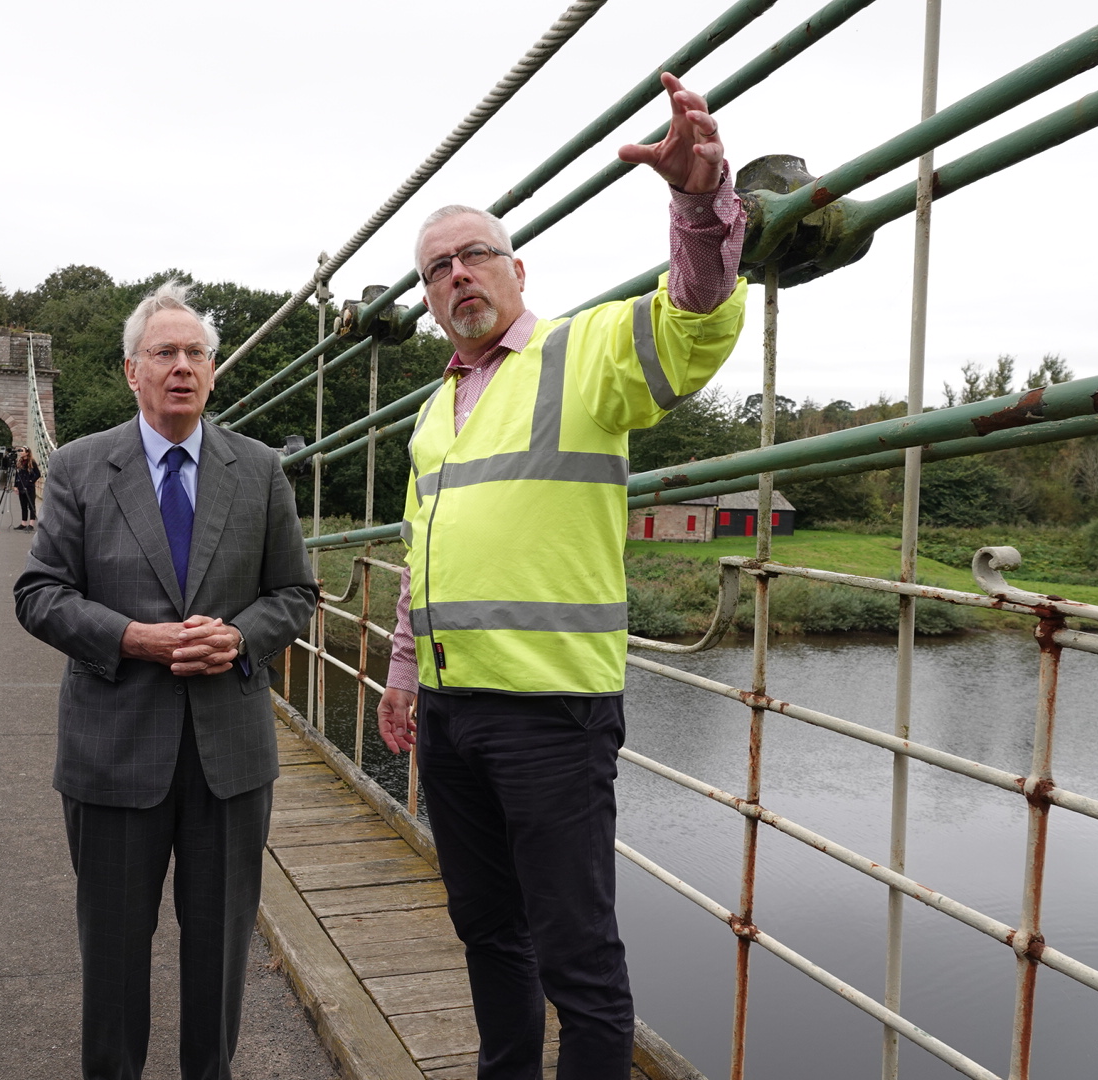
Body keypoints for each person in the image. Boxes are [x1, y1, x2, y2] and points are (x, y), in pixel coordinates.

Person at [375, 73, 747, 1080]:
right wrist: (402, 673)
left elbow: (692, 323)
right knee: (486, 931)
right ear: (424, 295)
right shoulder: (427, 414)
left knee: (577, 957)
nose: (456, 276)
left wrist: (698, 206)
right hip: (451, 714)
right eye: (435, 267)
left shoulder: (581, 355)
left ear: (516, 269)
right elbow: (422, 558)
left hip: (550, 712)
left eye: (473, 257)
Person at [14, 280, 317, 1080]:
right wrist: (131, 638)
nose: (181, 366)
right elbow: (38, 594)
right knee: (112, 958)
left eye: (196, 354)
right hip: (114, 751)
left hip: (230, 757)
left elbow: (295, 594)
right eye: (164, 353)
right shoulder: (79, 468)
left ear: (214, 372)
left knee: (220, 958)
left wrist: (241, 636)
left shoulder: (259, 470)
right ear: (131, 372)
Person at [13, 447, 41, 530]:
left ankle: (31, 524)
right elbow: (18, 475)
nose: (21, 452)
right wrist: (16, 486)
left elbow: (38, 474)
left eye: (22, 451)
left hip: (29, 487)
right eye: (20, 451)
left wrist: (31, 481)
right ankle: (23, 523)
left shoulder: (31, 462)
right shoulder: (20, 462)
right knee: (23, 505)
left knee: (31, 505)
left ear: (27, 453)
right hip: (21, 486)